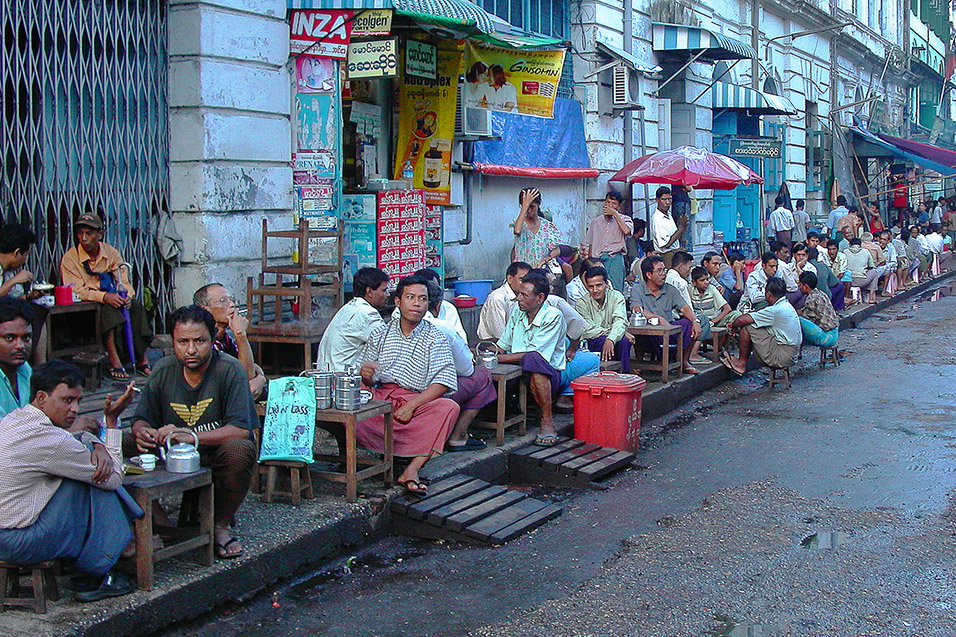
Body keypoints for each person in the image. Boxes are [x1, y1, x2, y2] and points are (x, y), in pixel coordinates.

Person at [0, 360, 143, 602]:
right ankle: (102, 566)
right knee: (95, 482)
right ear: (42, 398)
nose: (75, 409)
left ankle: (116, 547)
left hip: (7, 535)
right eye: (67, 400)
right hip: (16, 543)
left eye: (78, 401)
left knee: (88, 470)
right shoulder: (51, 439)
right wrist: (111, 424)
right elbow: (115, 479)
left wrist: (96, 444)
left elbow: (71, 440)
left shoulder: (17, 419)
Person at [132, 306, 259, 559]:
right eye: (183, 341)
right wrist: (143, 431)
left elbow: (241, 429)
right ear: (173, 341)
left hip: (214, 452)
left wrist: (190, 435)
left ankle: (220, 524)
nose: (191, 350)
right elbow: (141, 418)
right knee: (121, 444)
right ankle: (161, 524)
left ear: (213, 340)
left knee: (240, 450)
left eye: (199, 341)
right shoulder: (163, 369)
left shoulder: (229, 369)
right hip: (173, 451)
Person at [357, 276, 460, 495]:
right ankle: (357, 456)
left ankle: (412, 469)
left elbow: (443, 381)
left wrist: (411, 405)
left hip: (414, 399)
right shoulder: (380, 333)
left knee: (448, 408)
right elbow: (368, 377)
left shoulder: (436, 336)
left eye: (422, 299)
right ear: (397, 301)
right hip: (381, 397)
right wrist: (366, 375)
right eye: (410, 297)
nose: (416, 303)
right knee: (351, 399)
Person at [60, 211, 152, 381]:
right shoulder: (70, 258)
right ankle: (113, 358)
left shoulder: (111, 253)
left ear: (100, 234)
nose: (84, 238)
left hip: (113, 297)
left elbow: (123, 279)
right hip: (88, 305)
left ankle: (141, 358)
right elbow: (76, 290)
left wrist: (127, 296)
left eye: (89, 233)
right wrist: (104, 297)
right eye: (80, 233)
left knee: (137, 306)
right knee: (108, 307)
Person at [494, 271, 582, 446]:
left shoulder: (553, 316)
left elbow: (537, 356)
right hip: (518, 370)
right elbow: (502, 344)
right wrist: (486, 354)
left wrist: (500, 359)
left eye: (524, 295)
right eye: (519, 293)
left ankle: (547, 422)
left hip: (549, 375)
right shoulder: (516, 312)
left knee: (534, 362)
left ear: (540, 297)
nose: (518, 298)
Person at [423, 282, 494, 452]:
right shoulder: (442, 328)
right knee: (482, 375)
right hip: (430, 393)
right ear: (437, 304)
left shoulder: (389, 326)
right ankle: (458, 435)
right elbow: (467, 368)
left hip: (400, 394)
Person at [629, 256, 702, 375]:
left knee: (688, 324)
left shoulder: (670, 289)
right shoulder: (638, 289)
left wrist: (695, 321)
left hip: (669, 329)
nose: (664, 274)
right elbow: (637, 309)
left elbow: (684, 307)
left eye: (664, 270)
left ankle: (684, 361)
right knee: (638, 330)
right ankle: (639, 363)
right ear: (649, 275)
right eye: (659, 271)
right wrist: (658, 319)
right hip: (649, 332)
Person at [194, 283, 267, 399]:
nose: (232, 305)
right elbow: (245, 378)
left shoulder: (224, 337)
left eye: (231, 300)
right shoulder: (204, 342)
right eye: (223, 301)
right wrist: (240, 335)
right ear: (204, 309)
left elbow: (249, 365)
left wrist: (261, 378)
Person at [721, 277, 802, 375]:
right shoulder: (786, 305)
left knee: (747, 327)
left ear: (768, 294)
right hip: (792, 354)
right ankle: (741, 359)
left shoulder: (776, 309)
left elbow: (742, 319)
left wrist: (732, 325)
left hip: (782, 356)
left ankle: (741, 363)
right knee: (756, 325)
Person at [316, 267, 390, 371]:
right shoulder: (367, 314)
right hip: (342, 378)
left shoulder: (350, 307)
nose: (388, 295)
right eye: (384, 290)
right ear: (370, 292)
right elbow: (390, 346)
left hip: (328, 372)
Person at [0, 223, 47, 364]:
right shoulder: (11, 275)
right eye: (25, 255)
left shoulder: (8, 271)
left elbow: (10, 299)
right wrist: (14, 281)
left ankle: (40, 364)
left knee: (38, 310)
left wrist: (28, 296)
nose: (25, 260)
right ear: (16, 253)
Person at [574, 266, 632, 372]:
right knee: (618, 338)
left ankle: (624, 375)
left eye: (599, 285)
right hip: (592, 342)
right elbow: (588, 330)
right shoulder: (581, 304)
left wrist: (611, 339)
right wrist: (611, 335)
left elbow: (620, 321)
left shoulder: (616, 297)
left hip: (610, 339)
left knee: (623, 341)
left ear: (606, 283)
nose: (595, 290)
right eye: (591, 286)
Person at [390, 268, 465, 340]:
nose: (416, 303)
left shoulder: (448, 308)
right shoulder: (403, 311)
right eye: (411, 297)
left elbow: (461, 340)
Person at [584, 190, 632, 291]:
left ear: (619, 206)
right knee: (597, 288)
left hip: (615, 258)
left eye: (613, 204)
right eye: (607, 202)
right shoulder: (595, 222)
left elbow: (627, 231)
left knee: (616, 289)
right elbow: (591, 244)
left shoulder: (625, 219)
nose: (609, 205)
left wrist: (615, 214)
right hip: (598, 259)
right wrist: (589, 262)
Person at [690, 266, 740, 354]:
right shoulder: (689, 290)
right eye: (702, 280)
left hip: (714, 320)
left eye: (707, 279)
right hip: (699, 322)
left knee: (736, 314)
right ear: (694, 282)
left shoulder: (712, 289)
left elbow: (727, 308)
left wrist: (713, 321)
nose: (706, 282)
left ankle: (725, 340)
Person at [477, 261, 531, 341]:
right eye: (522, 279)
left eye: (528, 280)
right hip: (495, 346)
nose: (525, 284)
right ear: (510, 279)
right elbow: (500, 335)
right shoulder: (497, 298)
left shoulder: (525, 296)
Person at [513, 188, 561, 268]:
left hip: (540, 272)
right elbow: (517, 231)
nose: (529, 210)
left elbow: (557, 249)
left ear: (539, 204)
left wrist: (544, 261)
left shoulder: (547, 226)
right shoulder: (520, 223)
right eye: (525, 207)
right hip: (522, 272)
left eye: (532, 207)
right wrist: (525, 205)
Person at [796, 271, 840, 348]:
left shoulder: (812, 298)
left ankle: (797, 350)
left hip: (828, 337)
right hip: (834, 333)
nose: (799, 287)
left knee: (798, 320)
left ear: (805, 286)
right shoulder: (821, 293)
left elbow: (807, 318)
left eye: (800, 285)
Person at [650, 186, 687, 267]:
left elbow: (675, 236)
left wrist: (682, 229)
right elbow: (666, 244)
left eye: (669, 199)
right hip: (667, 255)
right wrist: (681, 228)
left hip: (676, 253)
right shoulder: (657, 218)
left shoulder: (668, 214)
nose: (667, 202)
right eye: (664, 199)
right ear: (657, 200)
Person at [807, 246, 844, 311]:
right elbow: (834, 283)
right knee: (840, 285)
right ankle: (836, 310)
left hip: (811, 295)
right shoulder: (822, 266)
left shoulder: (799, 266)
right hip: (822, 296)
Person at [845, 237, 878, 303]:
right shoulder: (866, 251)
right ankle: (871, 298)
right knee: (874, 272)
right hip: (861, 281)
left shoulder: (845, 251)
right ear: (860, 245)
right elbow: (871, 266)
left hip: (847, 281)